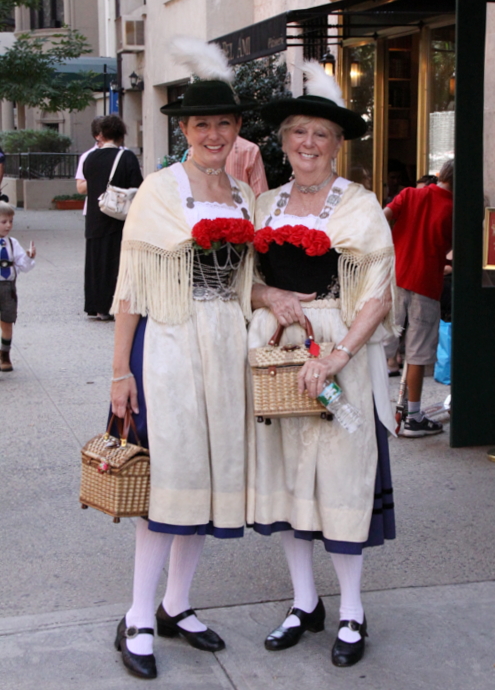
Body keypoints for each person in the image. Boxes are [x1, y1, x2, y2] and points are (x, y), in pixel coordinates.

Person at [109, 36, 255, 680]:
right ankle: (138, 616)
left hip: (225, 349)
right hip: (166, 346)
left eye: (224, 123)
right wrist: (121, 371)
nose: (214, 133)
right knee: (165, 486)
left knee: (205, 480)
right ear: (185, 130)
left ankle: (175, 604)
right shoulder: (159, 190)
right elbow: (130, 287)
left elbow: (250, 282)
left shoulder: (247, 197)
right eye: (202, 124)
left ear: (238, 129)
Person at [247, 60, 397, 668]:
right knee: (285, 477)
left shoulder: (359, 206)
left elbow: (379, 290)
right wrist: (270, 298)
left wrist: (337, 355)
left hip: (340, 352)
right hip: (276, 349)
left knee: (341, 478)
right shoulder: (263, 204)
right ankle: (304, 603)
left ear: (337, 145)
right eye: (298, 132)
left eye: (321, 134)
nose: (308, 143)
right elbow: (242, 281)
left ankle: (353, 610)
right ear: (282, 142)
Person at [384, 159, 454, 437]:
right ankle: (412, 416)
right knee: (417, 353)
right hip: (426, 283)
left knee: (382, 345)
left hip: (396, 276)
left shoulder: (411, 194)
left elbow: (382, 217)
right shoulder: (454, 209)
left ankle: (371, 407)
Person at [83, 114, 143, 320]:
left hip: (94, 215)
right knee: (116, 261)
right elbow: (138, 186)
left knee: (95, 260)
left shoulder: (90, 158)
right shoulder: (126, 158)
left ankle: (97, 304)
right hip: (118, 218)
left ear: (100, 134)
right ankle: (115, 304)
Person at [0, 202, 35, 371]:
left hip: (8, 289)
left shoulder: (13, 243)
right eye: (3, 221)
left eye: (10, 221)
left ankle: (5, 354)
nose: (8, 225)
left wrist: (28, 257)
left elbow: (24, 266)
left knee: (8, 321)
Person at [75, 116, 104, 215]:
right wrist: (100, 178)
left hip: (120, 209)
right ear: (97, 135)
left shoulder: (125, 153)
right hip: (94, 210)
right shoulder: (87, 156)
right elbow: (81, 188)